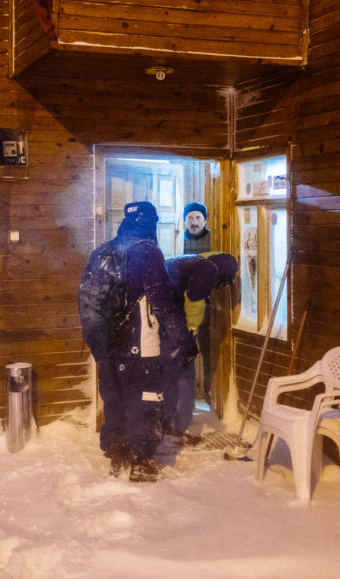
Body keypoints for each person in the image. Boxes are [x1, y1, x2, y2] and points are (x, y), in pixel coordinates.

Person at [78, 201, 198, 482]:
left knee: (116, 399)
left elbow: (88, 303)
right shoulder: (148, 252)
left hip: (106, 344)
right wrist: (184, 341)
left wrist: (97, 345)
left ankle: (116, 451)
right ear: (150, 224)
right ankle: (142, 460)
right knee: (144, 401)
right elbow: (162, 303)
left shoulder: (103, 251)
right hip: (138, 344)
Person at [162, 252, 238, 443]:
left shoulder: (191, 261)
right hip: (174, 321)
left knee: (168, 368)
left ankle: (166, 419)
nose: (218, 288)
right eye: (222, 284)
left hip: (159, 316)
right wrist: (188, 337)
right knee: (185, 369)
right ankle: (180, 425)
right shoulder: (208, 270)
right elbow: (193, 304)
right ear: (223, 274)